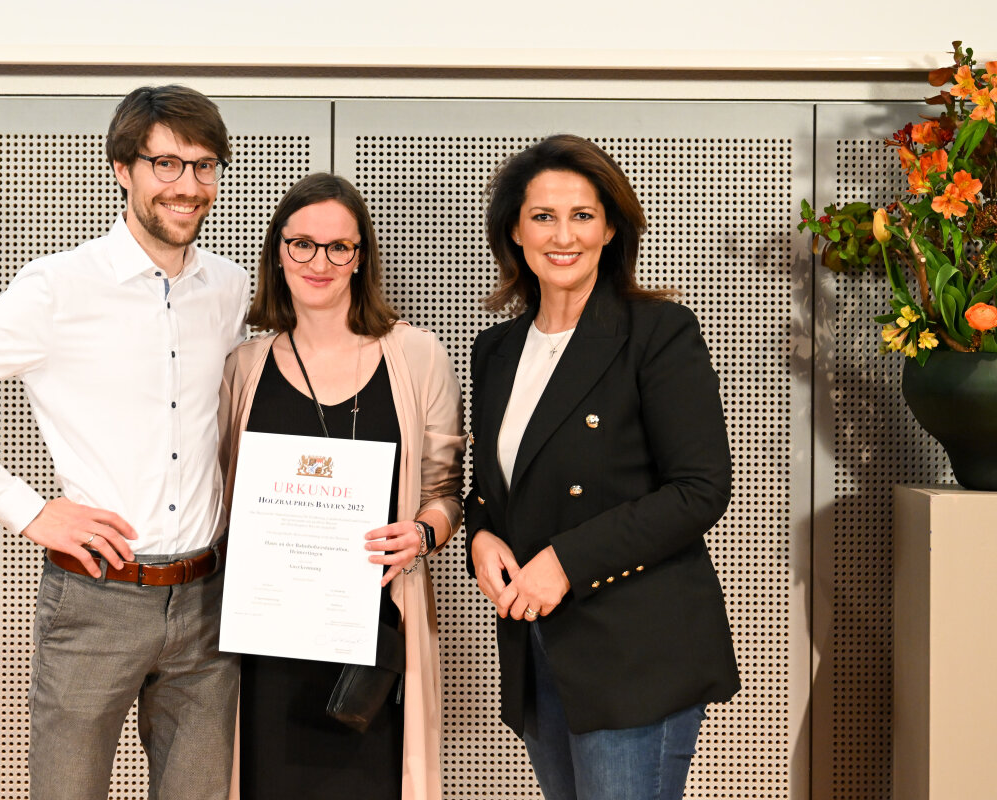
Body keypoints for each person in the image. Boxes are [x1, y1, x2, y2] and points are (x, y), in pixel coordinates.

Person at [0, 85, 250, 800]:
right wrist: (29, 510)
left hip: (210, 602)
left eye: (205, 167)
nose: (189, 186)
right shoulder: (57, 286)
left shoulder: (230, 288)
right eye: (166, 165)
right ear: (123, 168)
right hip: (95, 599)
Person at [464, 134, 739, 800]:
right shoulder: (496, 349)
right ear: (515, 232)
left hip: (635, 651)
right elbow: (499, 483)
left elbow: (700, 490)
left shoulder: (657, 332)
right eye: (544, 216)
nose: (565, 235)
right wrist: (480, 533)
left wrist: (565, 561)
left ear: (611, 228)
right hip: (539, 648)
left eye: (583, 215)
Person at [219, 172, 465, 800]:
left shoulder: (416, 356)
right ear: (278, 252)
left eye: (339, 247)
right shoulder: (243, 367)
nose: (319, 262)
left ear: (361, 258)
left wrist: (422, 533)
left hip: (373, 649)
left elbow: (446, 494)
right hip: (265, 649)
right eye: (302, 244)